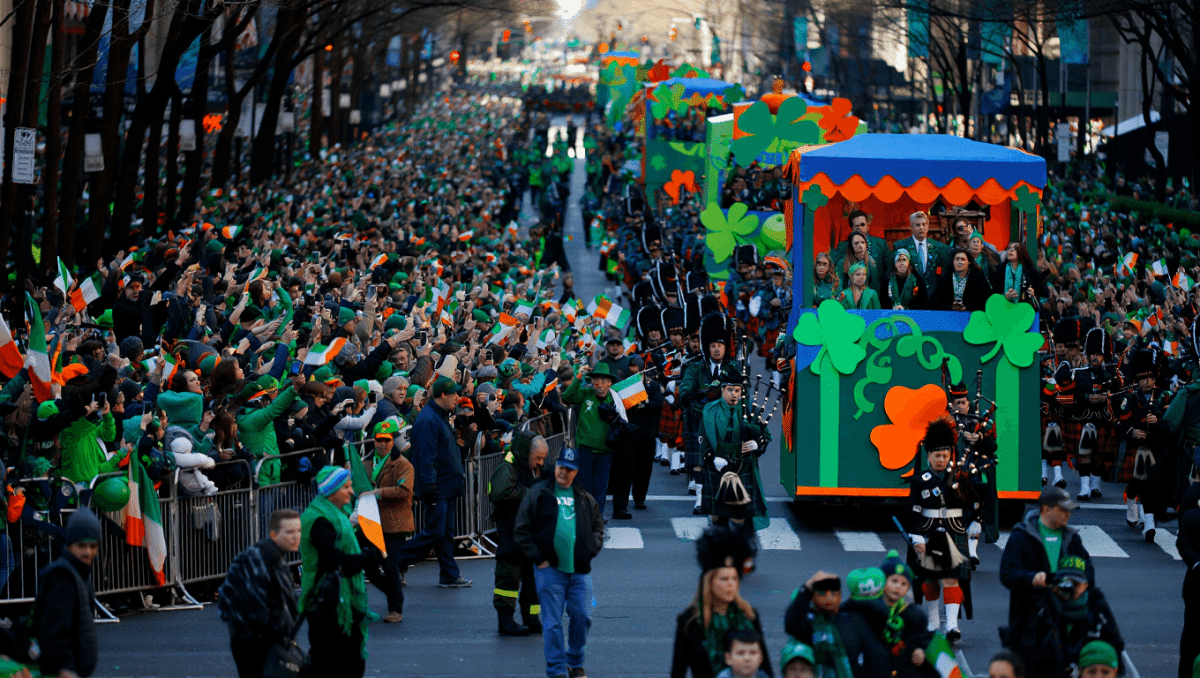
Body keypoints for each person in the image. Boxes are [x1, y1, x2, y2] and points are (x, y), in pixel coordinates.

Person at [513, 447, 605, 678]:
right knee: (552, 623)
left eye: (569, 469)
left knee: (583, 616)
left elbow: (597, 526)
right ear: (555, 466)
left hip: (579, 570)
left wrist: (591, 549)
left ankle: (575, 662)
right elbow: (522, 529)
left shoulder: (583, 496)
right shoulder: (539, 493)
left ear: (575, 472)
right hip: (550, 570)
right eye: (561, 467)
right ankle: (556, 670)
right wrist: (539, 560)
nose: (564, 472)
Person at [999, 487, 1098, 675]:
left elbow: (1088, 568)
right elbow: (1007, 574)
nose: (1068, 513)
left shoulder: (1072, 538)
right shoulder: (1022, 536)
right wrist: (1031, 579)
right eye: (1063, 509)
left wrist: (1083, 584)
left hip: (1066, 619)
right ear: (1046, 509)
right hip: (1030, 622)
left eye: (1069, 509)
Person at [906, 415, 979, 644]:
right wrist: (916, 535)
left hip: (953, 533)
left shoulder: (959, 477)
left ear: (950, 455)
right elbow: (914, 510)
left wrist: (975, 522)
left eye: (945, 456)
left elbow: (974, 502)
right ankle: (932, 621)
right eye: (937, 455)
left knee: (951, 580)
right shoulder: (920, 480)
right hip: (928, 534)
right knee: (929, 581)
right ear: (928, 455)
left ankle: (952, 626)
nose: (941, 460)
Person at [299, 467, 376, 678]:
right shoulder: (319, 519)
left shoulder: (334, 514)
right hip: (327, 600)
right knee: (330, 663)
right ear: (331, 491)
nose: (351, 492)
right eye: (346, 487)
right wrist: (367, 557)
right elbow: (335, 560)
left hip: (342, 597)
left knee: (350, 660)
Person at [395, 376, 472, 588]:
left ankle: (449, 575)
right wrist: (428, 484)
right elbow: (426, 455)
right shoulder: (429, 419)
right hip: (438, 487)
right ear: (443, 395)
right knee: (435, 532)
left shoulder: (438, 416)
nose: (458, 397)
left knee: (444, 533)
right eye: (454, 393)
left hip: (446, 486)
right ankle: (396, 561)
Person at [671, 525, 771, 678]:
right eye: (724, 579)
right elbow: (678, 672)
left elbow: (765, 668)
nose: (730, 584)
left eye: (734, 578)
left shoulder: (749, 616)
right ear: (709, 582)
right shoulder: (690, 622)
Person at [218, 509, 302, 678]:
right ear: (274, 534)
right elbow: (279, 604)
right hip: (257, 639)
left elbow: (226, 593)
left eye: (298, 531)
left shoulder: (258, 553)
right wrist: (282, 633)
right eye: (289, 532)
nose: (295, 537)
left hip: (243, 634)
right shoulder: (270, 559)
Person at [489, 431, 548, 636]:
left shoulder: (528, 467)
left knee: (533, 581)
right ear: (527, 453)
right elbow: (501, 492)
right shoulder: (507, 467)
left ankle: (531, 618)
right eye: (538, 458)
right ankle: (505, 621)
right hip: (511, 534)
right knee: (508, 580)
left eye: (543, 458)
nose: (540, 463)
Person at [32, 508, 101, 678]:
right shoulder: (62, 576)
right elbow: (55, 631)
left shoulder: (77, 573)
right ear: (70, 545)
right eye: (82, 546)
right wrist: (65, 668)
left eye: (93, 546)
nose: (88, 552)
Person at [698, 373, 769, 535]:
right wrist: (711, 457)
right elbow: (703, 438)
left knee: (740, 511)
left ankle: (737, 539)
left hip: (742, 464)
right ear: (723, 390)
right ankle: (716, 538)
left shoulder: (749, 410)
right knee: (716, 512)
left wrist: (757, 443)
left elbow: (766, 435)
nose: (734, 394)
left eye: (737, 390)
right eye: (730, 390)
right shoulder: (710, 410)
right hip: (717, 463)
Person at [783, 570, 890, 678]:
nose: (829, 598)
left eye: (834, 593)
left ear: (840, 597)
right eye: (822, 594)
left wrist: (852, 602)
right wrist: (807, 587)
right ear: (813, 600)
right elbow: (792, 624)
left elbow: (882, 615)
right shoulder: (811, 625)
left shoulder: (854, 619)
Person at [363, 419, 415, 624]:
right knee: (369, 566)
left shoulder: (403, 464)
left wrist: (378, 492)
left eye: (387, 440)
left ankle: (396, 608)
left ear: (393, 441)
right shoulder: (366, 463)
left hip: (394, 523)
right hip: (371, 522)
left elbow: (404, 491)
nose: (383, 444)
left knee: (390, 565)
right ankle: (393, 594)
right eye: (379, 440)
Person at [1177, 484, 1200, 678]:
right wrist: (1197, 563)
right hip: (1197, 588)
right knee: (1192, 639)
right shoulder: (1192, 517)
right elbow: (1183, 543)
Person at [892, 211, 946, 293]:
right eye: (917, 225)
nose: (921, 227)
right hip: (910, 296)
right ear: (911, 227)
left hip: (933, 296)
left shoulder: (938, 246)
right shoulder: (900, 246)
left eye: (924, 224)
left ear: (928, 226)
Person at [989, 241, 1042, 308]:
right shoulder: (1000, 270)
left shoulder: (1029, 270)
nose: (1010, 250)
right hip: (1004, 307)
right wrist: (1005, 296)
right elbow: (995, 291)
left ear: (1020, 252)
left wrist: (1032, 292)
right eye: (1009, 248)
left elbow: (1039, 288)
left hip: (1023, 308)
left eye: (1014, 249)